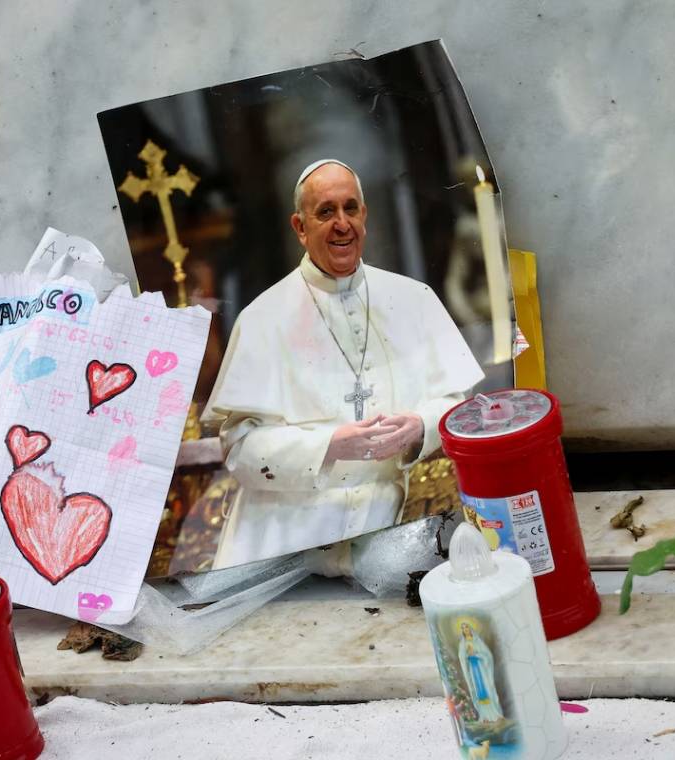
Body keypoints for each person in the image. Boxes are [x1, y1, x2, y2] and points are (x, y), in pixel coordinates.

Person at [204, 159, 484, 569]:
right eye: (325, 212)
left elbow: (458, 401)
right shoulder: (262, 318)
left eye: (350, 208)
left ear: (364, 216)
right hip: (285, 532)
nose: (341, 224)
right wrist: (330, 445)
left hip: (391, 520)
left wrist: (419, 426)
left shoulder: (414, 298)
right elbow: (241, 449)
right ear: (299, 227)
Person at [458, 622, 504, 723]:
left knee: (488, 689)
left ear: (470, 629)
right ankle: (485, 717)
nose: (465, 629)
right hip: (473, 671)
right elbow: (462, 657)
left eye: (466, 627)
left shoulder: (477, 641)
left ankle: (495, 714)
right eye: (463, 628)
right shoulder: (463, 644)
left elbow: (488, 655)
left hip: (482, 670)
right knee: (478, 692)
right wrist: (467, 655)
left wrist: (477, 654)